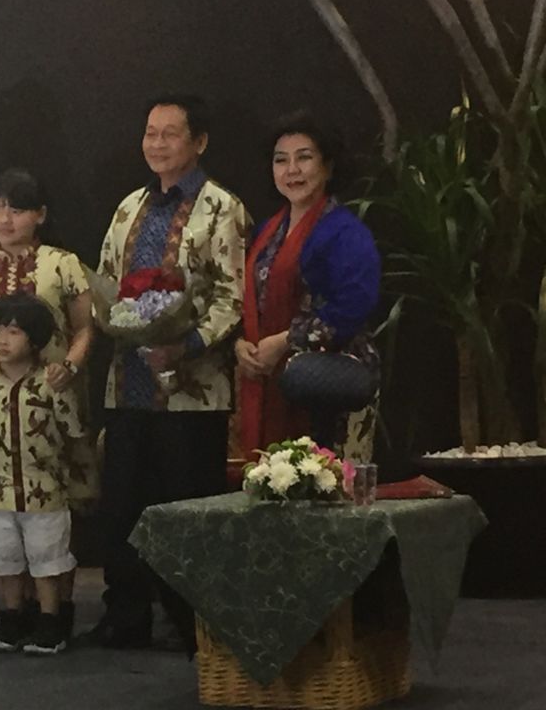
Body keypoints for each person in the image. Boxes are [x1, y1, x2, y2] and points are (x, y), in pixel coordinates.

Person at [85, 93, 248, 650]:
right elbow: (105, 283)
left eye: (169, 134)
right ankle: (125, 614)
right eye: (150, 133)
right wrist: (114, 322)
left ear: (198, 142)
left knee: (189, 508)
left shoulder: (222, 207)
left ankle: (194, 622)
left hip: (194, 391)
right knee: (124, 504)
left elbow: (233, 296)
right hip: (127, 384)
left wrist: (188, 343)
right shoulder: (128, 207)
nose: (156, 143)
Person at [0, 167, 97, 640]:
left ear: (40, 215)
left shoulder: (63, 263)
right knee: (3, 514)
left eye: (16, 209)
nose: (5, 218)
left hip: (52, 399)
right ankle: (15, 613)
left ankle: (59, 610)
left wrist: (69, 369)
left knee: (55, 507)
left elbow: (83, 329)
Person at [236, 114, 380, 461]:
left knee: (320, 486)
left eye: (304, 157)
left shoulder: (346, 232)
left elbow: (351, 308)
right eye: (281, 160)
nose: (292, 170)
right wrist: (241, 343)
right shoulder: (268, 231)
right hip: (266, 375)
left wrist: (285, 341)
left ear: (328, 166)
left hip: (331, 386)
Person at [0, 294, 85, 656]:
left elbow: (74, 432)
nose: (2, 341)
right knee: (5, 558)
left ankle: (51, 622)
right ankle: (12, 619)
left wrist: (79, 482)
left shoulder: (50, 384)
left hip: (43, 492)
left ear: (34, 339)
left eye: (13, 332)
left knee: (47, 559)